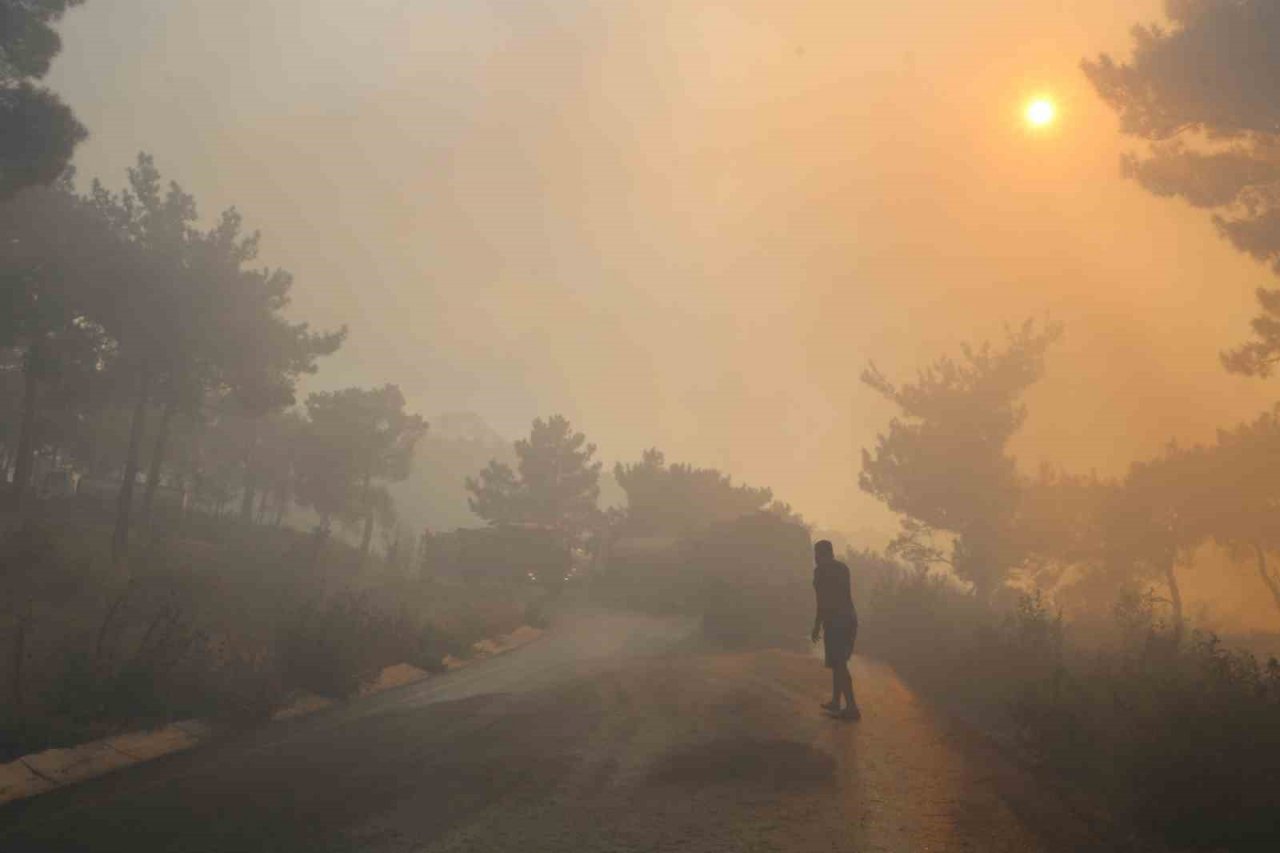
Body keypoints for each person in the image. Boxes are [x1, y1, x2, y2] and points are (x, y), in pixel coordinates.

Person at [810, 539, 860, 720]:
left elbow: (822, 601)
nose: (814, 558)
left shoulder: (821, 572)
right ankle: (836, 701)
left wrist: (817, 625)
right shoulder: (842, 568)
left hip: (835, 622)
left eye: (816, 553)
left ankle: (852, 707)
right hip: (850, 619)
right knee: (838, 662)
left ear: (820, 554)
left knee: (839, 664)